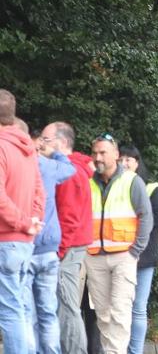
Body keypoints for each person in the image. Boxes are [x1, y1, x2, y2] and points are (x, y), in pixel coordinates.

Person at [83, 135, 152, 354]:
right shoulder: (88, 182)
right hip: (94, 256)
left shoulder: (132, 181)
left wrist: (135, 250)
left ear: (116, 155)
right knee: (103, 314)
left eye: (103, 152)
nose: (98, 157)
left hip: (124, 255)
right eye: (95, 153)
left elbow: (146, 216)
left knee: (120, 312)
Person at [39, 123, 93, 354]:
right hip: (72, 245)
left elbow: (69, 217)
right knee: (65, 304)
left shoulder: (68, 173)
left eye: (46, 139)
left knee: (66, 306)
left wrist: (59, 251)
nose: (41, 143)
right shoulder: (75, 167)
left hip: (67, 248)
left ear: (61, 143)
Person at [0, 92, 45, 354]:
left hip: (6, 240)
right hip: (25, 241)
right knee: (21, 308)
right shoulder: (27, 148)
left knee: (10, 312)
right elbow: (40, 191)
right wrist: (33, 221)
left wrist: (23, 222)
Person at [30, 129, 77, 354]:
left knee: (27, 314)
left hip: (24, 245)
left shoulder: (16, 165)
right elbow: (69, 168)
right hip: (48, 248)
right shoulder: (48, 166)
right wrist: (54, 151)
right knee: (48, 312)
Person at [117, 147, 158, 354]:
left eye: (129, 159)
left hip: (144, 255)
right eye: (121, 159)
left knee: (138, 308)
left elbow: (157, 220)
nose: (125, 163)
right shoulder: (113, 186)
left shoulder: (151, 187)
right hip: (118, 254)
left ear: (137, 162)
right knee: (118, 307)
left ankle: (134, 351)